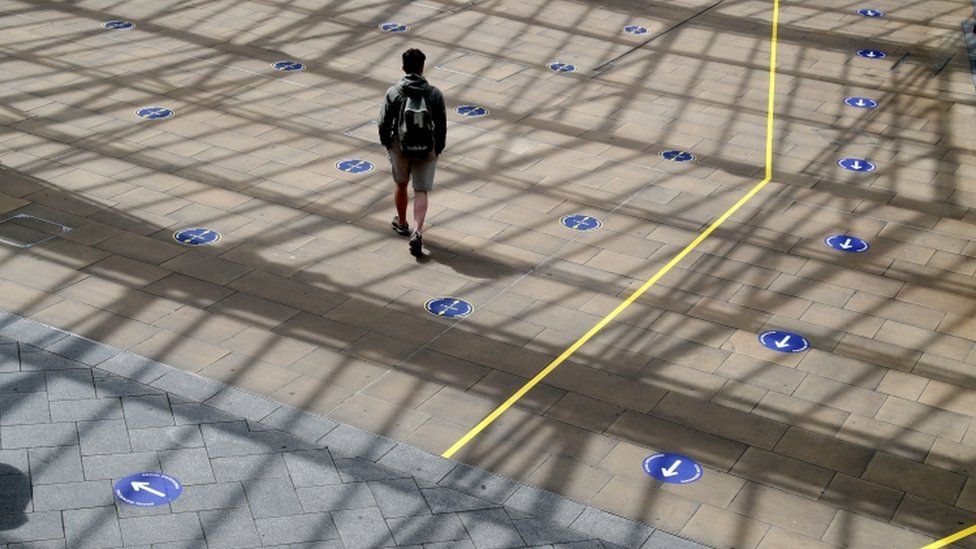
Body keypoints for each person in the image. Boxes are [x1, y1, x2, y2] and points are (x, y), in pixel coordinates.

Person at [378, 48, 447, 258]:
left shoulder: (394, 92)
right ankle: (417, 231)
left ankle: (401, 222)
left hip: (400, 145)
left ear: (403, 68)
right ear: (422, 67)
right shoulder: (434, 93)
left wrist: (388, 143)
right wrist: (438, 147)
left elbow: (383, 122)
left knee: (401, 183)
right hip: (427, 146)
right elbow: (441, 124)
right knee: (421, 190)